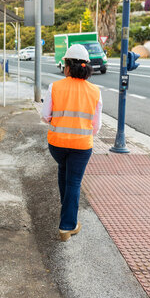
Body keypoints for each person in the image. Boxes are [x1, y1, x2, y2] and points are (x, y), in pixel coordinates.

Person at [41, 44, 102, 242]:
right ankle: (67, 225)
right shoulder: (95, 91)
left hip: (57, 143)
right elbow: (97, 126)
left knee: (63, 171)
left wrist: (56, 120)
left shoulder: (55, 87)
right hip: (82, 146)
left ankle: (66, 211)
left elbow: (45, 116)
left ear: (67, 65)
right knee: (73, 181)